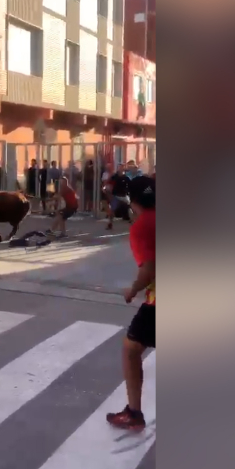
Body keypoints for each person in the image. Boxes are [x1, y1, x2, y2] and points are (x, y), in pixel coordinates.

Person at [106, 175, 155, 431]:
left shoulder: (142, 226)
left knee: (131, 348)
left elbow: (149, 269)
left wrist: (133, 289)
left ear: (132, 201)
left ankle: (134, 413)